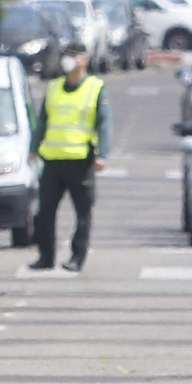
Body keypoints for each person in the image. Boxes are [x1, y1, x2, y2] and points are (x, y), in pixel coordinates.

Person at [28, 42, 111, 273]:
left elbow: (104, 123)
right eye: (66, 56)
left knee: (83, 213)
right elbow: (43, 119)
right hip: (53, 160)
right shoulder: (54, 87)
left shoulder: (95, 87)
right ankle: (45, 256)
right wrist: (33, 148)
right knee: (44, 212)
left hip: (81, 160)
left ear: (84, 59)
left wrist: (102, 154)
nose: (68, 60)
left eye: (73, 56)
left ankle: (77, 256)